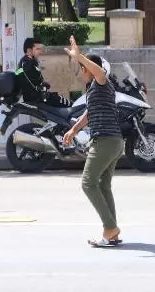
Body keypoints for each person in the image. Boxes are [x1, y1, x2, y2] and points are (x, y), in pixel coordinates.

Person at [62, 36, 124, 248]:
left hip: (105, 141)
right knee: (103, 185)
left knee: (88, 183)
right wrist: (73, 129)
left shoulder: (102, 81)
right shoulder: (94, 91)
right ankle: (112, 233)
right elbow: (88, 114)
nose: (82, 71)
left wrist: (79, 55)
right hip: (112, 141)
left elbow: (98, 71)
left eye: (83, 67)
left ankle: (110, 228)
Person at [16, 37, 71, 107]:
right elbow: (32, 83)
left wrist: (43, 84)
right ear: (29, 50)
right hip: (37, 98)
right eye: (38, 49)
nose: (41, 52)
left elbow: (34, 80)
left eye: (41, 49)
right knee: (71, 105)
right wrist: (42, 86)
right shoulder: (27, 64)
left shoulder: (30, 62)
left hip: (39, 96)